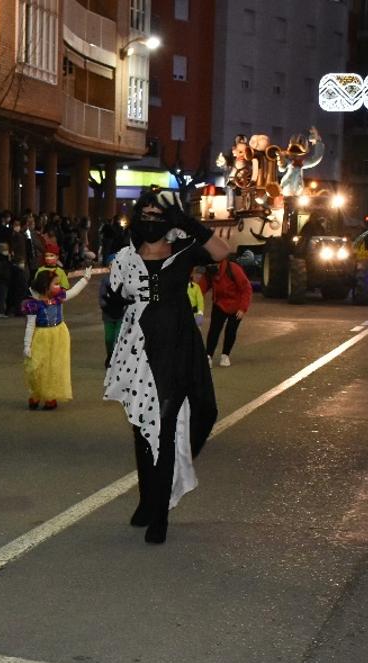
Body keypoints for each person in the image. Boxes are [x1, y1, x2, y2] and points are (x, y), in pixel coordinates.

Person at [102, 190, 225, 544]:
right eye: (148, 213)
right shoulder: (124, 258)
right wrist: (112, 304)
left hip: (179, 348)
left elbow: (221, 252)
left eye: (162, 214)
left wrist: (187, 222)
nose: (152, 219)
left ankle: (158, 507)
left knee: (184, 420)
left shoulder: (185, 251)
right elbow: (115, 301)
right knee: (145, 430)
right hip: (139, 351)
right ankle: (151, 505)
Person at [22, 267, 90, 410]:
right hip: (41, 336)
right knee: (35, 367)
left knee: (54, 367)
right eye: (56, 284)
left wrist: (85, 279)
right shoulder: (33, 304)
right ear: (45, 287)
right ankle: (35, 394)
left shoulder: (59, 298)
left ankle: (50, 396)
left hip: (59, 335)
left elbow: (73, 292)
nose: (59, 286)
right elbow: (30, 326)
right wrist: (27, 345)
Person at [204, 250, 252, 368]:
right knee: (214, 330)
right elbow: (201, 287)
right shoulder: (210, 271)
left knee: (231, 331)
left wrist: (242, 308)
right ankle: (208, 355)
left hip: (236, 305)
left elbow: (246, 289)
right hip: (219, 304)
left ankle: (225, 355)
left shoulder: (234, 269)